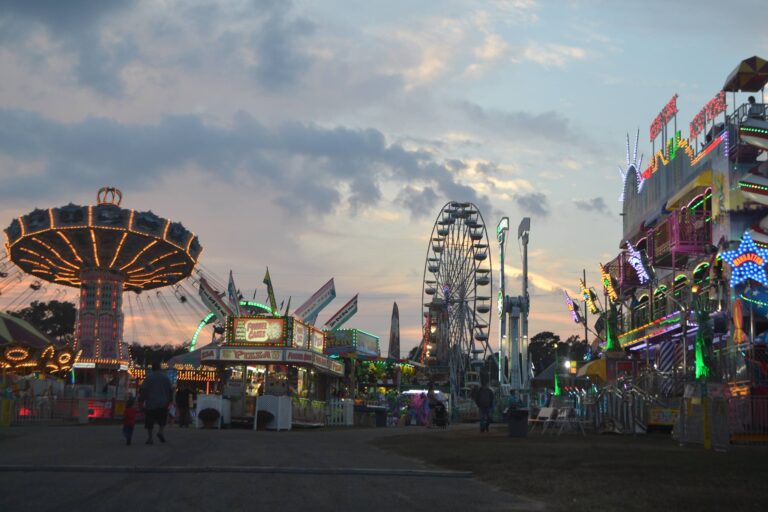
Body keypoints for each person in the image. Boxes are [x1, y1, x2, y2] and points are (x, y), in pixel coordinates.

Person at [139, 361, 173, 444]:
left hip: (151, 403)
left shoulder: (149, 377)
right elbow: (170, 390)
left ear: (152, 368)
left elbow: (143, 390)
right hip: (163, 402)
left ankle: (150, 438)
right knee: (162, 419)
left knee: (150, 421)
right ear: (160, 368)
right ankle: (161, 431)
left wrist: (141, 401)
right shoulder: (165, 377)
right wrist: (170, 400)